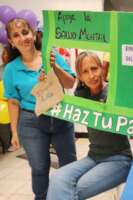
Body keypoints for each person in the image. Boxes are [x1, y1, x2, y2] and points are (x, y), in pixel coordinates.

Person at [3, 18, 77, 200]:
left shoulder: (50, 55)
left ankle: (69, 196)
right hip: (31, 121)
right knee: (39, 167)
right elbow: (13, 102)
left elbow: (70, 82)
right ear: (12, 42)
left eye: (25, 32)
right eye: (16, 35)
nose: (23, 38)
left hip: (60, 115)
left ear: (34, 33)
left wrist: (55, 66)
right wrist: (14, 132)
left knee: (68, 165)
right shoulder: (11, 69)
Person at [46, 51, 133, 200]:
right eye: (85, 72)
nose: (91, 75)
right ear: (79, 76)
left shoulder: (113, 92)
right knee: (57, 178)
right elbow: (57, 99)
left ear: (102, 68)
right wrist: (48, 75)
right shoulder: (81, 94)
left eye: (94, 68)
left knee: (71, 192)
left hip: (119, 159)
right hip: (93, 157)